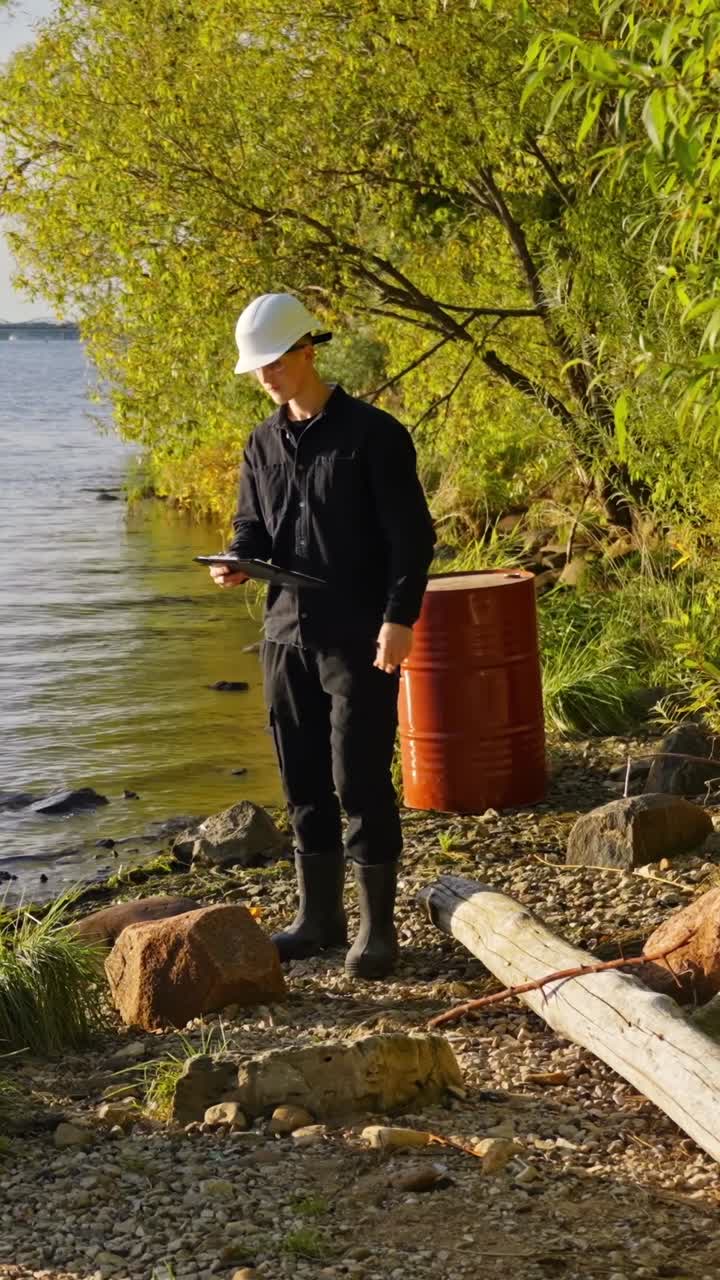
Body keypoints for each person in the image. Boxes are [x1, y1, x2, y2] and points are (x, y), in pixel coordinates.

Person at [210, 292, 435, 979]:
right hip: (284, 636)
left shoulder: (375, 435)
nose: (265, 376)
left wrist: (399, 619)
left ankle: (377, 930)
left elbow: (411, 537)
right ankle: (318, 919)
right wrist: (236, 559)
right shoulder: (261, 442)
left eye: (275, 363)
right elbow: (252, 526)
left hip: (358, 635)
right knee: (302, 779)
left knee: (358, 778)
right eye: (257, 367)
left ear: (308, 351)